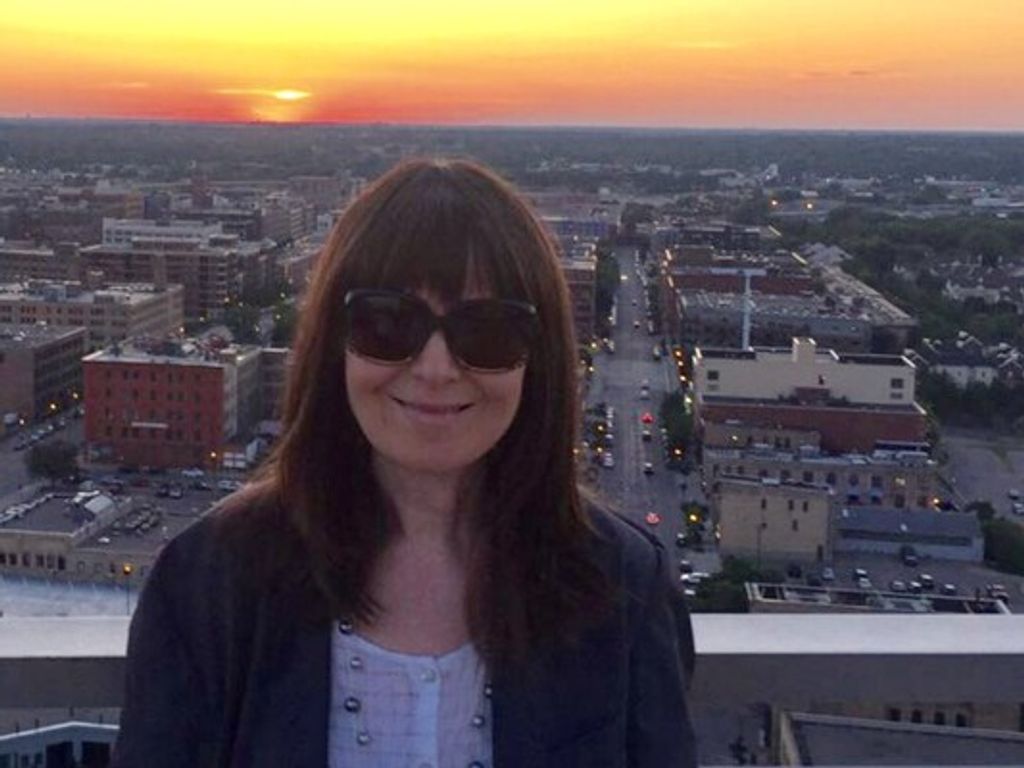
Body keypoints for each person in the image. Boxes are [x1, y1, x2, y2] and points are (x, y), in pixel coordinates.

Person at [113, 158, 697, 767]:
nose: (436, 369)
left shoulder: (623, 585)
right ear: (334, 345)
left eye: (487, 331)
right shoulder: (210, 582)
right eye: (389, 324)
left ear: (538, 357)